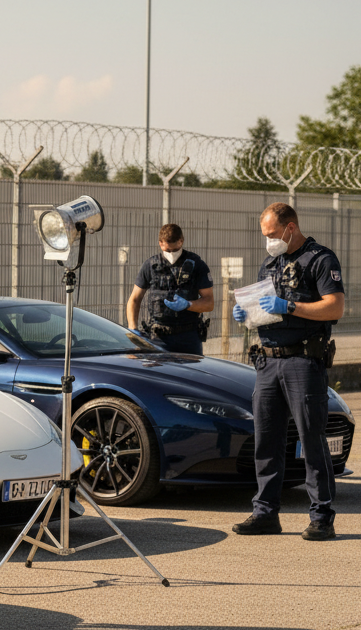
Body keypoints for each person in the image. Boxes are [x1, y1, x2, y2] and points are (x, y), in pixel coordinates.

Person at [231, 202, 345, 541]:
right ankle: (265, 512)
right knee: (266, 440)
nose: (268, 241)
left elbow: (334, 306)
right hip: (267, 361)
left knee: (311, 439)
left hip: (302, 361)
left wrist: (290, 306)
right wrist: (246, 315)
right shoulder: (271, 263)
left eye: (271, 234)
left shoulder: (320, 259)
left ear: (290, 228)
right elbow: (262, 307)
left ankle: (321, 515)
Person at [125, 224, 214, 355]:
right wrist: (133, 328)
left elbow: (209, 303)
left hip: (188, 337)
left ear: (181, 241)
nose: (171, 254)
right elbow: (134, 299)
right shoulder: (150, 265)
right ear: (160, 244)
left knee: (190, 375)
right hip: (158, 337)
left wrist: (188, 305)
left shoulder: (196, 265)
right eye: (168, 250)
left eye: (175, 249)